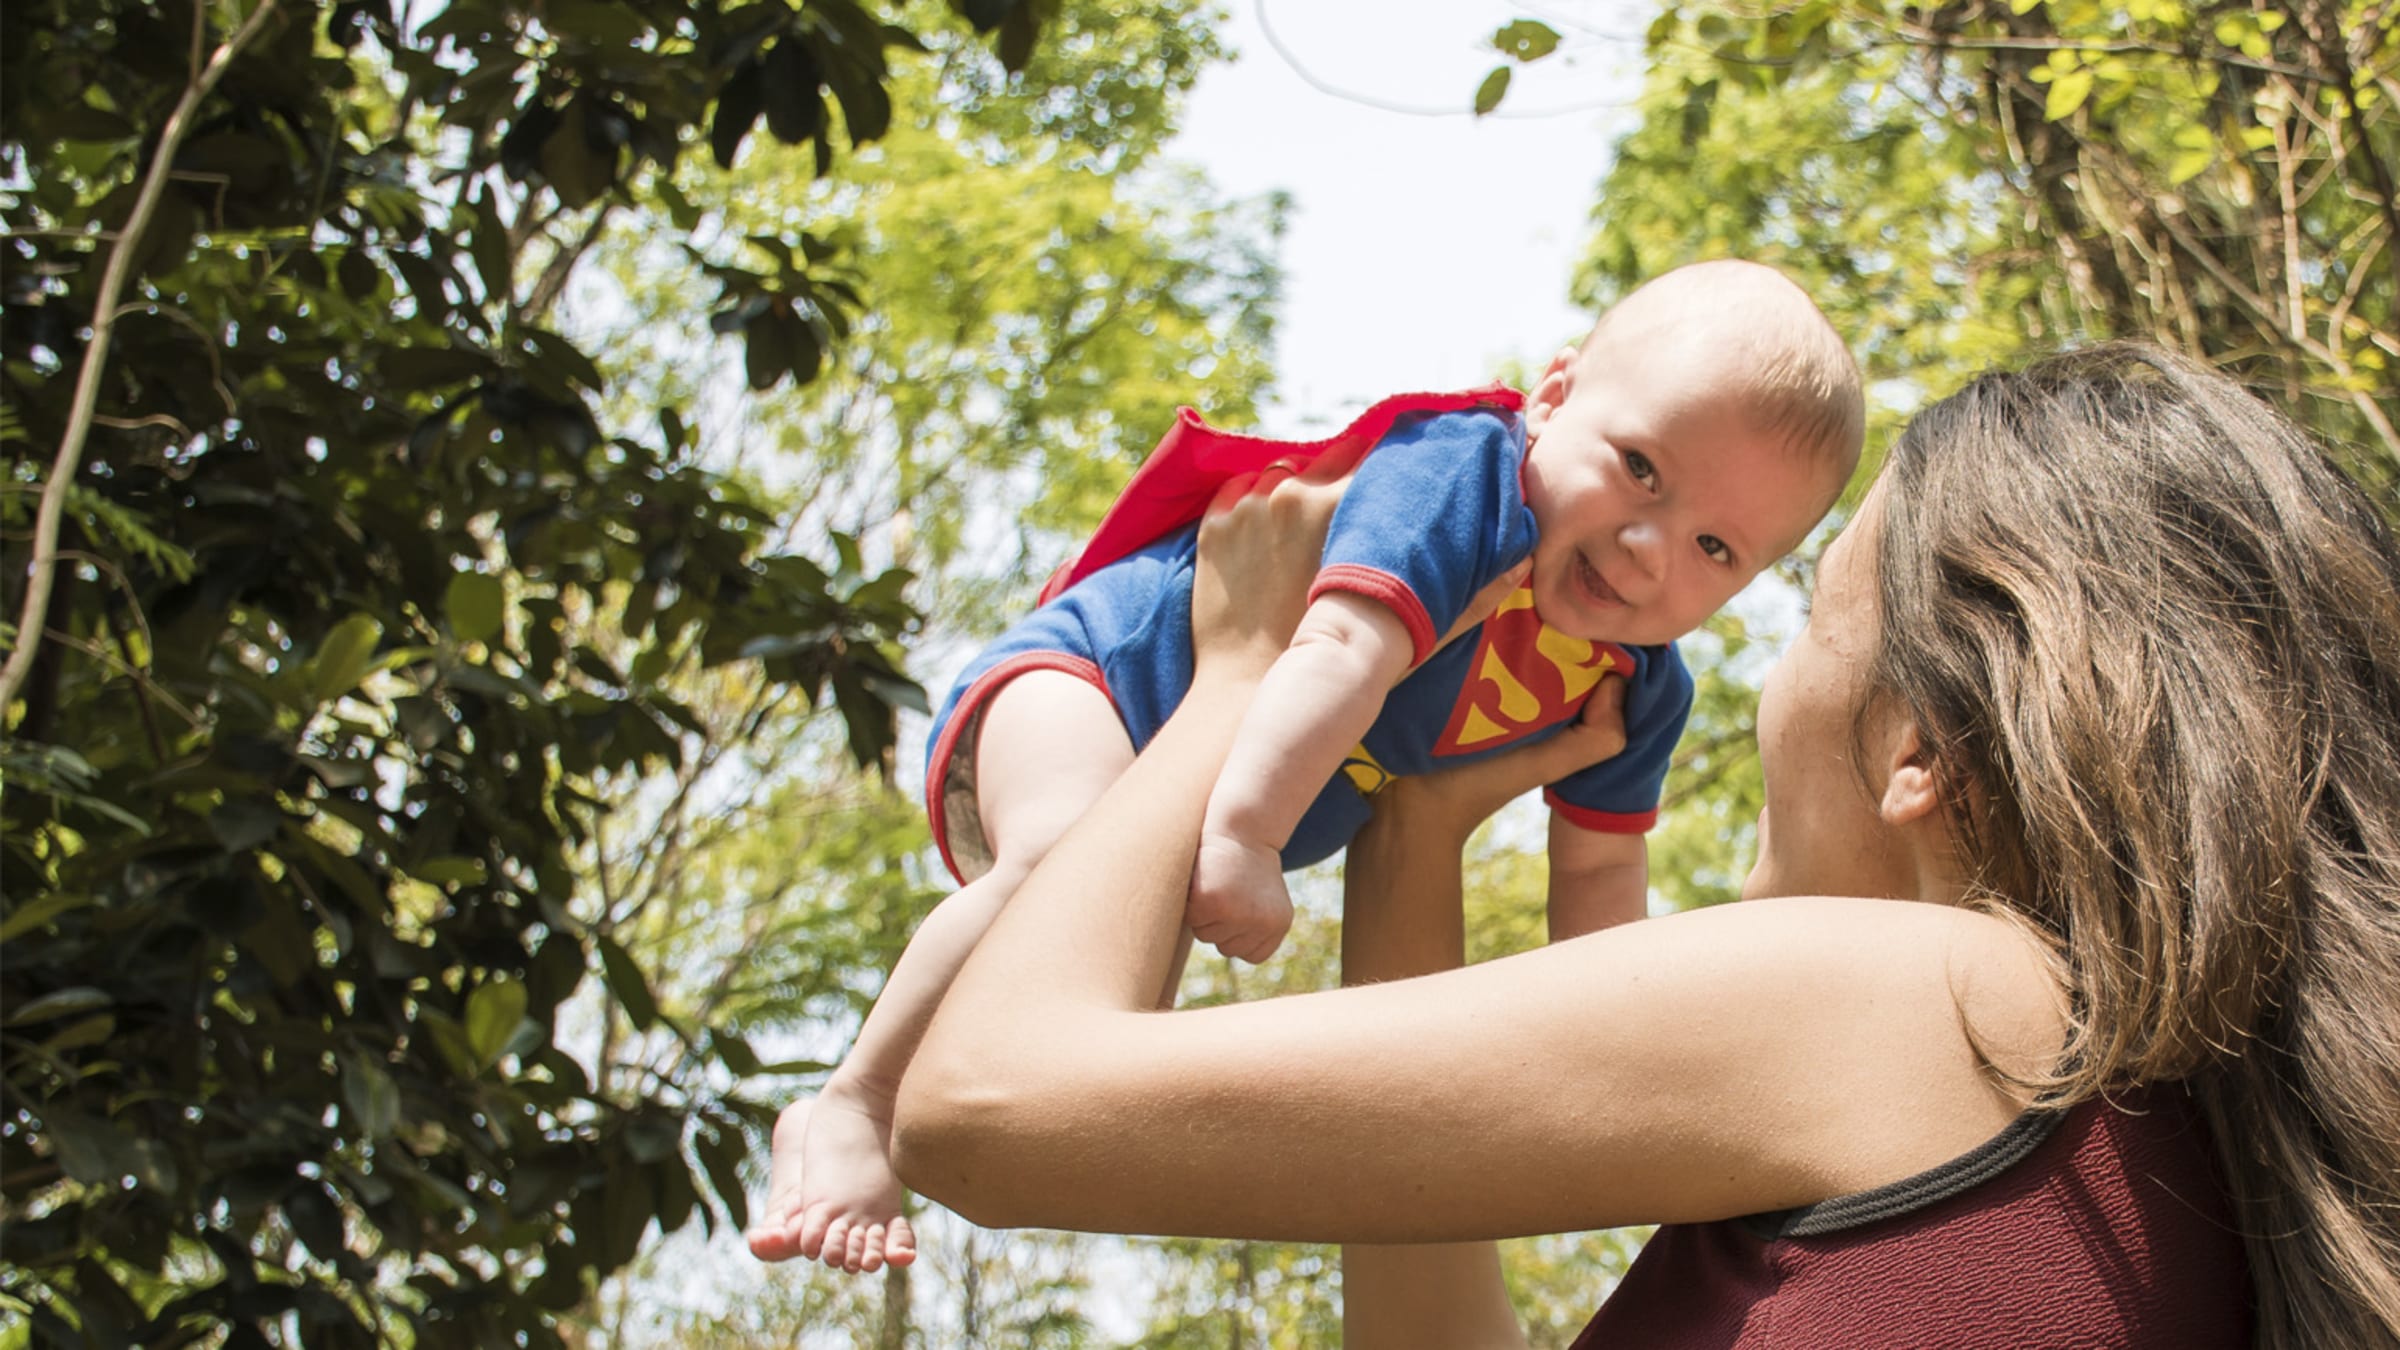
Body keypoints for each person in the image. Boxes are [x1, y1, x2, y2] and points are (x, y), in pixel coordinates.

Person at [880, 344, 2400, 1347]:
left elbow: (987, 1102)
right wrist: (1422, 815)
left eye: (1804, 612)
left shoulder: (1945, 1003)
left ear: (1921, 752)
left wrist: (1230, 677)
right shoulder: (2154, 1135)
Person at [749, 259, 1867, 1272]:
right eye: (1640, 471)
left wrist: (1641, 1071)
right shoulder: (1464, 481)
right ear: (1556, 395)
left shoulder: (1633, 688)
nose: (1648, 549)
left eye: (1716, 548)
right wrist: (1245, 835)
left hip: (1198, 789)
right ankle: (855, 1101)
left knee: (1105, 1003)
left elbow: (1598, 889)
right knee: (1059, 855)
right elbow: (1338, 647)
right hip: (1099, 677)